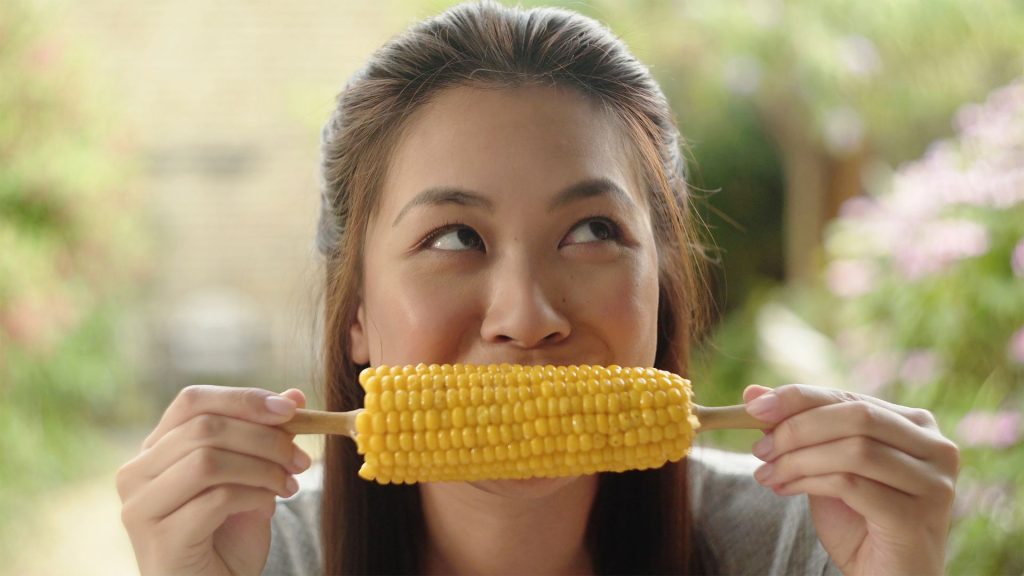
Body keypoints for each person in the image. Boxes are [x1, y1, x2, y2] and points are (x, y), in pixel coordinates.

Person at [116, 2, 960, 574]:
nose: (526, 317)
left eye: (592, 232)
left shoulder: (804, 550)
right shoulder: (258, 559)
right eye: (455, 238)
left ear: (661, 286)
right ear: (357, 315)